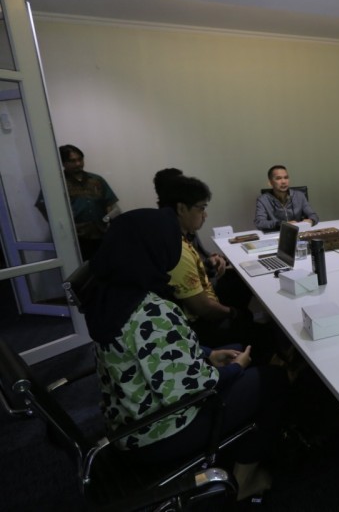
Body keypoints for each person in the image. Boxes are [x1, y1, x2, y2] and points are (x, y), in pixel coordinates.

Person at [84, 208, 286, 500]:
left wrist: (207, 355)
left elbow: (150, 353)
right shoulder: (152, 312)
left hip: (127, 418)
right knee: (273, 380)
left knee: (235, 349)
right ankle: (245, 482)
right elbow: (192, 388)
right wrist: (235, 369)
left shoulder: (110, 294)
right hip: (159, 432)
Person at [163, 176, 264, 350]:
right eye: (201, 208)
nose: (205, 215)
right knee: (259, 331)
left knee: (240, 280)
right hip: (202, 324)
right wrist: (233, 313)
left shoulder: (179, 236)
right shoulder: (178, 250)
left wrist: (208, 263)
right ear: (181, 208)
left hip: (207, 297)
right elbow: (205, 309)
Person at [35, 144, 120, 260]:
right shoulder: (56, 183)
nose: (78, 164)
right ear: (63, 163)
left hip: (101, 234)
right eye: (72, 161)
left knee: (105, 265)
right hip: (75, 239)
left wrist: (109, 222)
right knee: (83, 269)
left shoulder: (96, 180)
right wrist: (60, 226)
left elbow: (109, 202)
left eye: (80, 159)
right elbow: (42, 205)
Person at [254, 165, 318, 232]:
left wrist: (311, 220)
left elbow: (313, 215)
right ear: (270, 183)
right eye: (278, 178)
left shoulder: (299, 196)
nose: (284, 181)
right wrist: (281, 224)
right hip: (277, 234)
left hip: (298, 233)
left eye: (286, 177)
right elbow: (259, 222)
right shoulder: (263, 200)